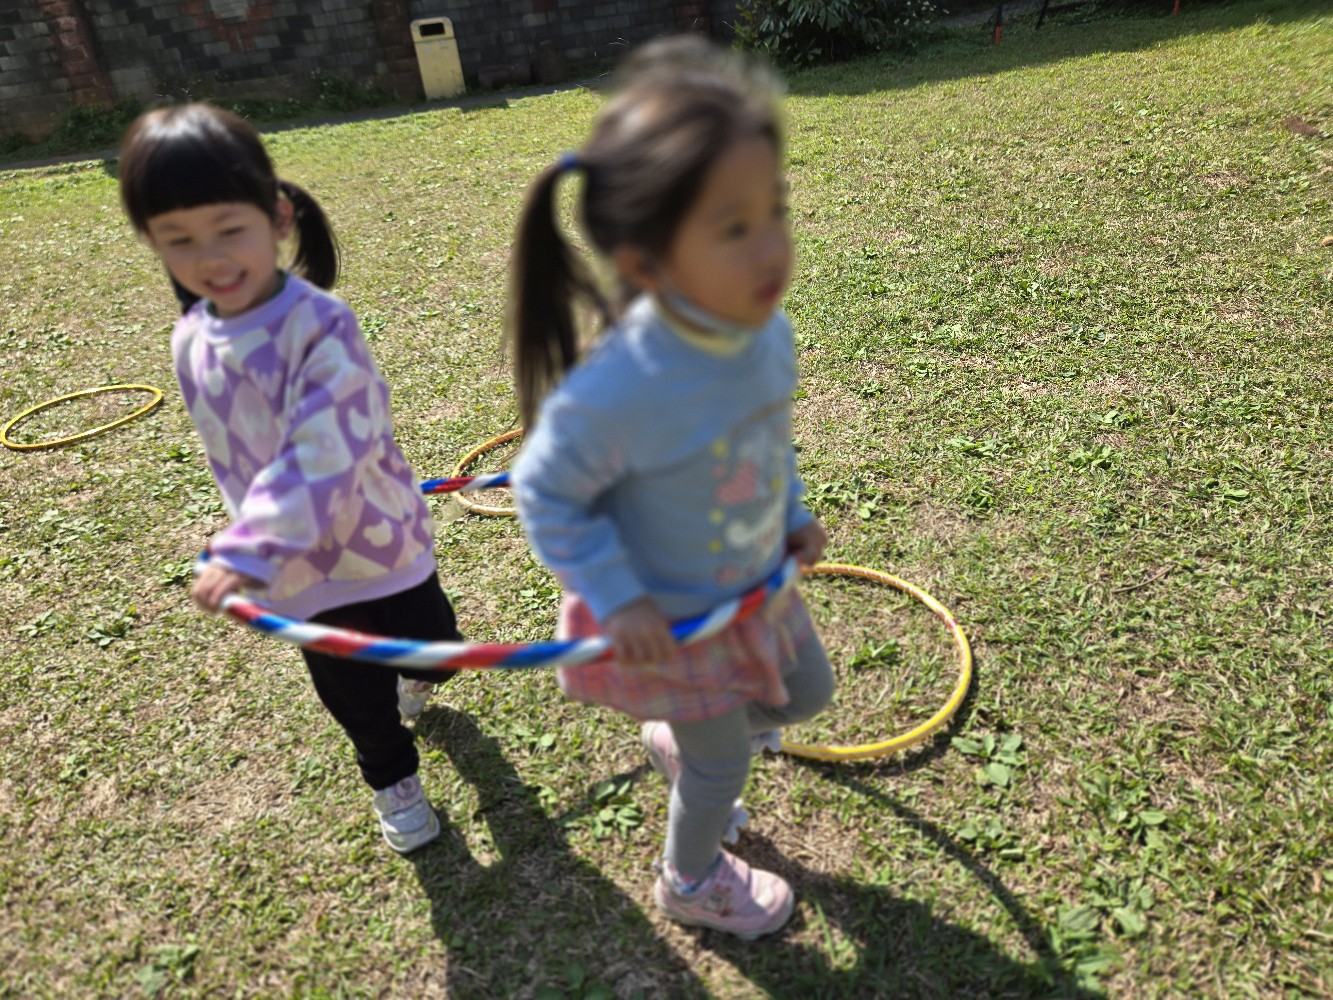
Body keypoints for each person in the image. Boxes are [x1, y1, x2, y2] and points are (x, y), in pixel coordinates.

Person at [508, 37, 835, 940]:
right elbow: (546, 493)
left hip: (754, 585)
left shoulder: (765, 332)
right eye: (733, 228)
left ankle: (676, 741)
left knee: (807, 695)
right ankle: (689, 880)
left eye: (774, 210)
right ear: (647, 263)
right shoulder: (622, 388)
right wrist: (618, 597)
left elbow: (766, 441)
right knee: (721, 763)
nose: (771, 246)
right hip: (676, 619)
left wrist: (793, 513)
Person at [118, 103, 458, 854]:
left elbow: (324, 449)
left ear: (276, 218)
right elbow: (237, 457)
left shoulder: (322, 325)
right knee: (350, 691)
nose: (209, 258)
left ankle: (416, 677)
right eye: (179, 240)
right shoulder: (190, 339)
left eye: (227, 229)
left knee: (435, 644)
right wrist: (257, 542)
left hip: (380, 538)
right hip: (302, 571)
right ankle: (392, 779)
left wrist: (249, 545)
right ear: (152, 242)